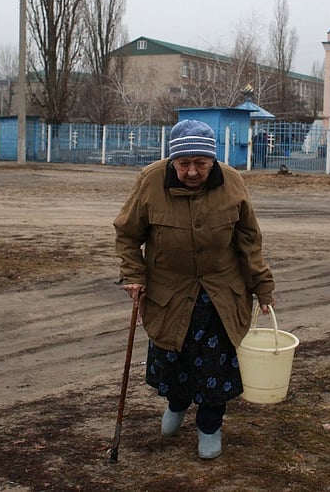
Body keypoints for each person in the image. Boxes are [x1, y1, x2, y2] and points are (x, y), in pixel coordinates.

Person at [113, 119, 276, 460]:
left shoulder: (232, 182)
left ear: (212, 161)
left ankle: (209, 428)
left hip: (220, 293)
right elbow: (128, 235)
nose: (191, 172)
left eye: (200, 164)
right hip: (169, 294)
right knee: (174, 361)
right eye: (184, 163)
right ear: (172, 161)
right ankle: (176, 403)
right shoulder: (150, 181)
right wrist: (134, 274)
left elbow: (249, 240)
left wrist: (262, 287)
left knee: (215, 369)